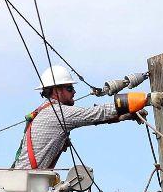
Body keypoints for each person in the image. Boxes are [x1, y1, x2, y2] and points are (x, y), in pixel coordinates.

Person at [13, 65, 152, 169]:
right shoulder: (57, 113)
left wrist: (125, 115)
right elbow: (96, 114)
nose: (74, 92)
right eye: (69, 88)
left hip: (23, 181)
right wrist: (147, 99)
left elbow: (95, 118)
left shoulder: (45, 111)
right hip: (27, 185)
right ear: (56, 90)